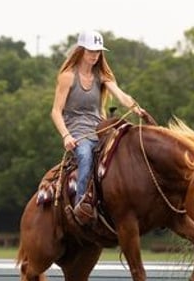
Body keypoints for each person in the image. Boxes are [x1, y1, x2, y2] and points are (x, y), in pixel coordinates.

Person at [51, 29, 145, 225]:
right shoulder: (68, 76)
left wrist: (134, 106)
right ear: (81, 51)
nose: (94, 56)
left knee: (123, 150)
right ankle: (80, 205)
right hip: (77, 131)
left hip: (98, 127)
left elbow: (120, 94)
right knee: (85, 156)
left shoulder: (101, 75)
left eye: (98, 52)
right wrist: (66, 136)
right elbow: (56, 112)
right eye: (91, 51)